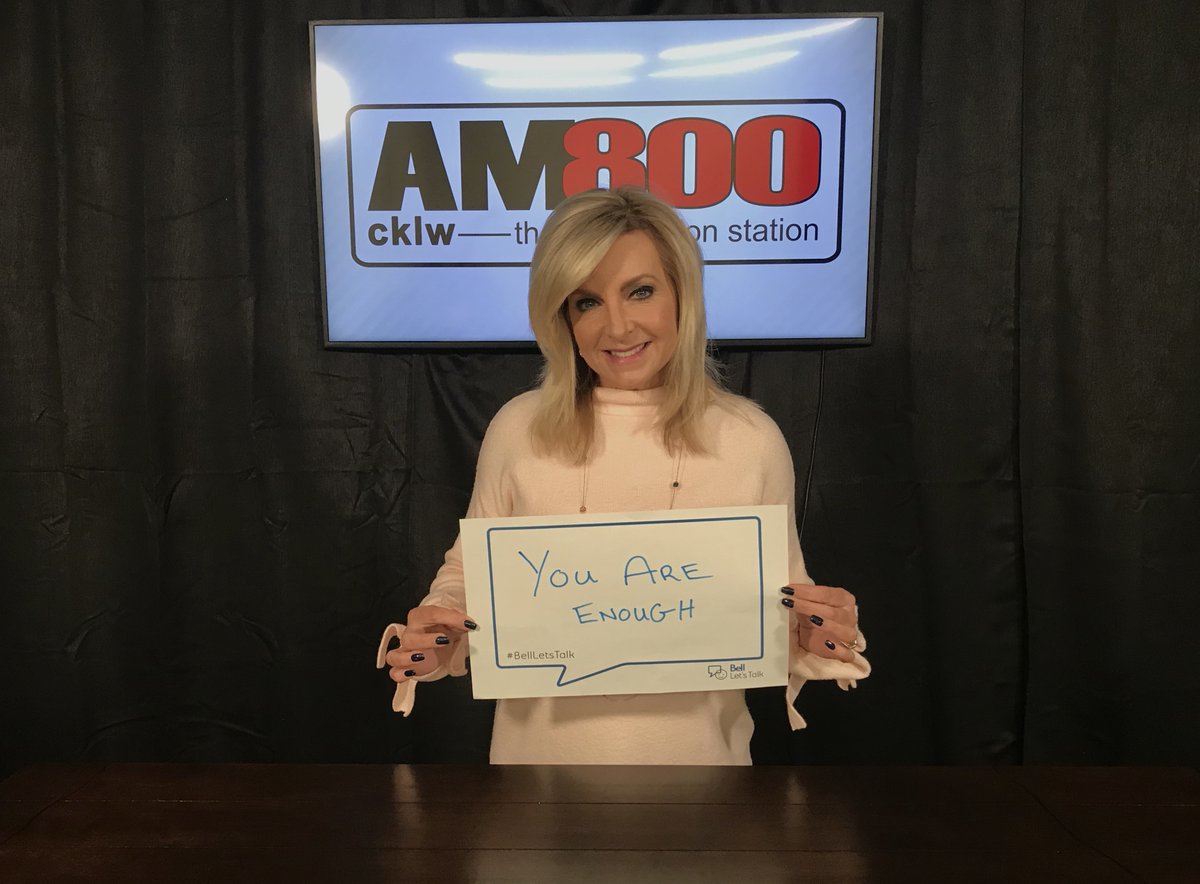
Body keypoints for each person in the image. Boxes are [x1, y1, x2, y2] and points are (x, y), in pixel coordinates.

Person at [377, 187, 869, 764]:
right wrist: (438, 630)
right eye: (586, 301)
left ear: (681, 295)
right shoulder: (519, 429)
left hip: (705, 781)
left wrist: (819, 631)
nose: (617, 326)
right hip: (535, 781)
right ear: (562, 317)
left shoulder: (749, 439)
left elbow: (781, 608)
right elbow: (468, 575)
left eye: (640, 291)